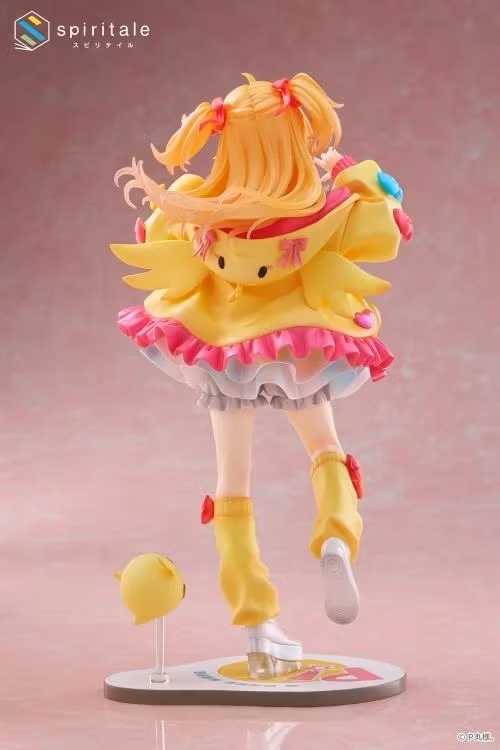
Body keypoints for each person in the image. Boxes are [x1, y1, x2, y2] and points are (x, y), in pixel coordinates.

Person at [111, 73, 413, 679]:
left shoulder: (199, 207)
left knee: (232, 483)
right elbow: (387, 227)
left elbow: (155, 234)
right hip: (297, 346)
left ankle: (257, 622)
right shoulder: (329, 209)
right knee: (326, 449)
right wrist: (352, 172)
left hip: (222, 354)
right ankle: (336, 535)